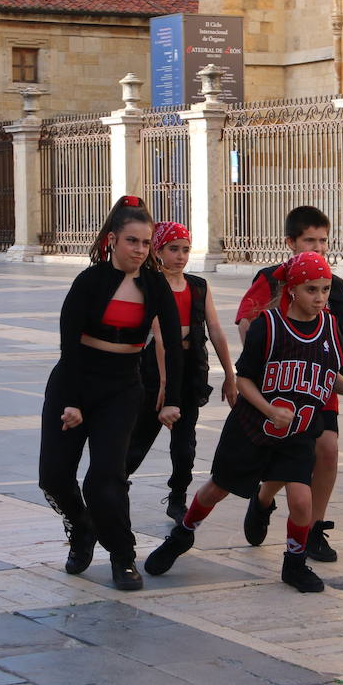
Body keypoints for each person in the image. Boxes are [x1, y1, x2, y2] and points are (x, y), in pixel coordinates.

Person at [145, 252, 343, 592]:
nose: (321, 298)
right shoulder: (268, 325)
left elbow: (327, 374)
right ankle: (183, 534)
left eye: (325, 290)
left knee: (301, 501)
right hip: (252, 427)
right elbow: (245, 379)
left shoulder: (330, 328)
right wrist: (268, 409)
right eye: (312, 290)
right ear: (292, 289)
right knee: (216, 489)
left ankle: (293, 564)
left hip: (297, 431)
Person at [39, 196, 183, 591]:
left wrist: (173, 397)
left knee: (105, 480)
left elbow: (173, 344)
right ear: (113, 240)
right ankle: (81, 527)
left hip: (121, 387)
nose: (139, 250)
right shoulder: (89, 281)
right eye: (131, 241)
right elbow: (68, 346)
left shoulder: (154, 285)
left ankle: (123, 556)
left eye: (145, 242)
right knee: (52, 477)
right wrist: (71, 401)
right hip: (76, 378)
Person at [235, 206, 343, 563]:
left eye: (323, 240)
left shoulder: (336, 287)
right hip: (281, 389)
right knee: (289, 456)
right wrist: (268, 360)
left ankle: (313, 528)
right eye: (308, 241)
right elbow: (246, 320)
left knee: (326, 449)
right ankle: (263, 500)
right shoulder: (271, 279)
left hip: (323, 383)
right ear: (291, 242)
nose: (317, 247)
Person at [124, 221, 238, 521]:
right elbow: (159, 337)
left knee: (185, 445)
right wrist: (163, 382)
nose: (180, 256)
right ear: (158, 251)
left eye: (185, 249)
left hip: (191, 369)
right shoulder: (147, 284)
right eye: (173, 249)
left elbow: (215, 330)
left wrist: (229, 374)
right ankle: (114, 487)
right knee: (138, 439)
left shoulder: (198, 286)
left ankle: (178, 496)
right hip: (153, 370)